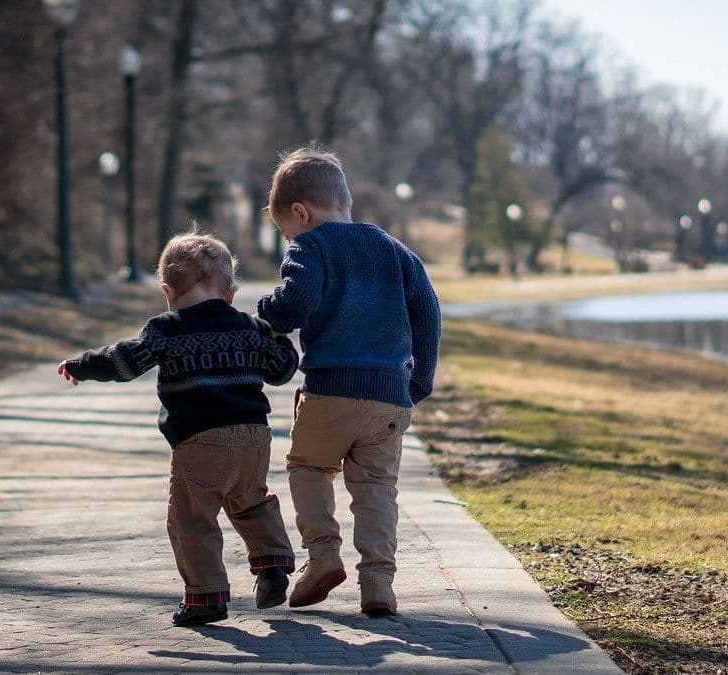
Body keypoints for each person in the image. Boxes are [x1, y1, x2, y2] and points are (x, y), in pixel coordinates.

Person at [57, 232, 300, 627]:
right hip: (254, 438)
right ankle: (273, 565)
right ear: (230, 293)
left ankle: (206, 596)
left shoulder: (165, 329)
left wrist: (83, 365)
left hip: (201, 440)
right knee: (252, 502)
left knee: (191, 519)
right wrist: (280, 336)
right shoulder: (249, 327)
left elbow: (125, 362)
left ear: (168, 290)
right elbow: (282, 370)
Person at [257, 145, 440, 617]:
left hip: (329, 390)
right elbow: (428, 312)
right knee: (377, 487)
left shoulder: (310, 245)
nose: (287, 238)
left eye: (284, 230)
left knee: (309, 469)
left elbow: (295, 304)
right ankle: (378, 582)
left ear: (301, 213)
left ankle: (322, 556)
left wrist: (267, 311)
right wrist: (420, 380)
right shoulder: (396, 250)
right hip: (389, 397)